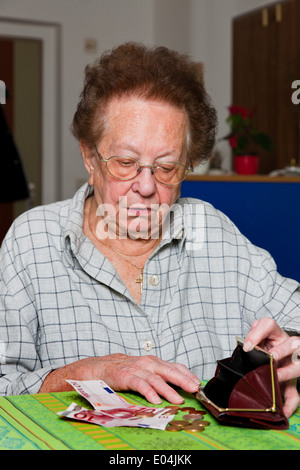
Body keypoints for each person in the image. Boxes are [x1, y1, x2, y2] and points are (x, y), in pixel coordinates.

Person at [0, 43, 299, 418]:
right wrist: (91, 372)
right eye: (125, 162)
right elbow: (3, 384)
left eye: (167, 167)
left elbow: (293, 318)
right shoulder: (32, 240)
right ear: (90, 158)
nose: (145, 185)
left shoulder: (210, 228)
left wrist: (293, 351)